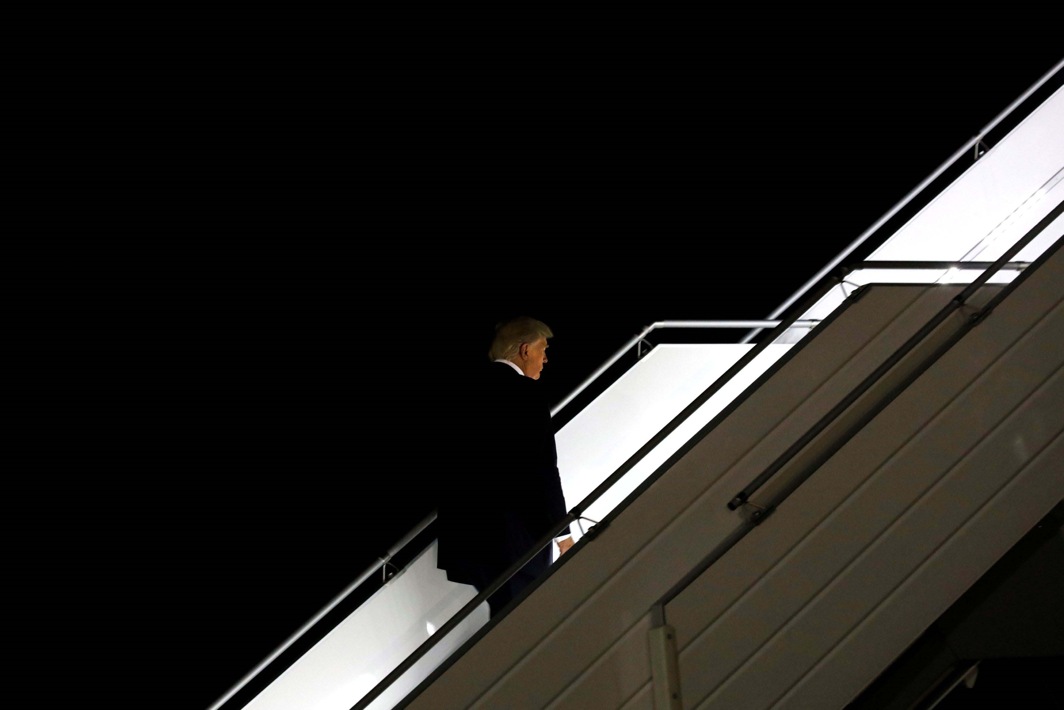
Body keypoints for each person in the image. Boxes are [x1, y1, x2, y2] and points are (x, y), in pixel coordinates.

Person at [436, 316, 574, 619]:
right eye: (543, 350)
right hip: (515, 540)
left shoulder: (462, 392)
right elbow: (542, 471)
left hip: (465, 536)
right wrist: (562, 534)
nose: (546, 359)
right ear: (525, 350)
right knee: (523, 622)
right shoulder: (526, 396)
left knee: (505, 619)